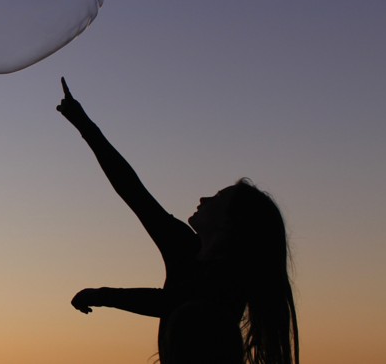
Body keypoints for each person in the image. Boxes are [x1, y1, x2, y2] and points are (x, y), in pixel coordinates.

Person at [57, 77, 298, 364]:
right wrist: (84, 124)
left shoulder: (228, 279)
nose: (204, 199)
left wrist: (102, 295)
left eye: (217, 198)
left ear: (229, 225)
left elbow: (169, 301)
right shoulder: (185, 246)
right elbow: (132, 190)